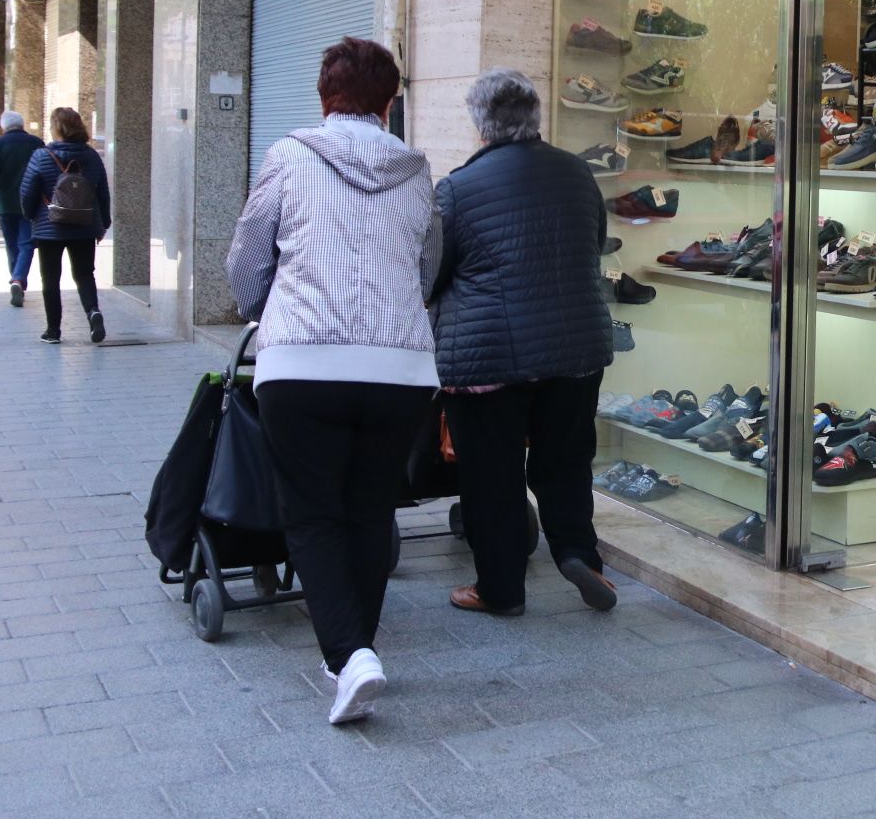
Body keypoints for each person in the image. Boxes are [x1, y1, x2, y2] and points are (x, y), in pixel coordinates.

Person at [225, 36, 439, 727]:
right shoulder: (416, 169)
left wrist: (269, 313)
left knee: (313, 513)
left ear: (325, 96)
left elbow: (247, 258)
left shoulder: (289, 155)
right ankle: (354, 651)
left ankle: (350, 656)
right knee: (369, 510)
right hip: (400, 368)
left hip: (304, 366)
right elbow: (427, 265)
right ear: (389, 100)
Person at [432, 69, 617, 617]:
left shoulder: (459, 187)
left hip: (489, 355)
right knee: (565, 460)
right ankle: (580, 555)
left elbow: (433, 272)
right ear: (535, 117)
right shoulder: (578, 172)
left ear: (480, 125)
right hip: (576, 346)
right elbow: (596, 241)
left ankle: (501, 588)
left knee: (493, 474)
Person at [18, 107, 111, 345]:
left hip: (50, 227)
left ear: (56, 128)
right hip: (84, 225)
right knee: (84, 274)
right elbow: (102, 192)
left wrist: (31, 216)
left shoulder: (41, 155)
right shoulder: (91, 156)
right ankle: (93, 312)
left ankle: (53, 330)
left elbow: (27, 192)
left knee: (50, 278)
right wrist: (103, 223)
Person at [0, 110, 46, 306]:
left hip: (5, 204)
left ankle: (17, 279)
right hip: (31, 203)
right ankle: (18, 278)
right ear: (22, 124)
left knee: (11, 245)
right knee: (27, 244)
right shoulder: (36, 144)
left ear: (3, 126)